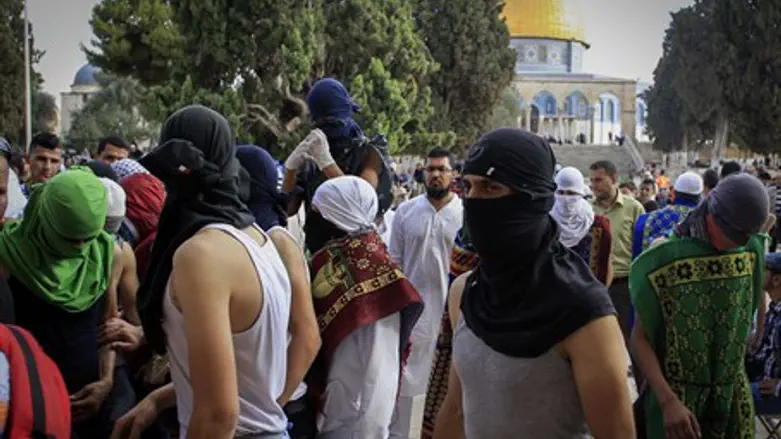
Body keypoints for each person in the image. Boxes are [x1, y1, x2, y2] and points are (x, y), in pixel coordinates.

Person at [434, 129, 634, 438]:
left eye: (490, 187)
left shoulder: (584, 313)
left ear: (534, 198)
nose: (474, 201)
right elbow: (457, 407)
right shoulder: (466, 293)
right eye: (468, 186)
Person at [130, 105, 293, 438]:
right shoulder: (258, 238)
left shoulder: (201, 255)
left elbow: (220, 415)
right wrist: (158, 400)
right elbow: (242, 377)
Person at [631, 173, 772, 439]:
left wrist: (759, 328)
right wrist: (667, 401)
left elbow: (755, 294)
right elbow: (639, 339)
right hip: (678, 404)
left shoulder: (749, 248)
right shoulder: (665, 257)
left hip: (732, 397)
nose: (738, 242)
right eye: (733, 234)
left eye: (746, 235)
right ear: (710, 212)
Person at [0, 168, 125, 437]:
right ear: (48, 219)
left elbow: (108, 327)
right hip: (30, 406)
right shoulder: (8, 255)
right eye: (70, 238)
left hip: (88, 402)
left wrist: (106, 381)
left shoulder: (108, 253)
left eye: (88, 237)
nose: (80, 247)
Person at [308, 176, 423, 438]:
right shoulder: (336, 259)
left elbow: (377, 365)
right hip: (333, 403)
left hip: (356, 414)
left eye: (316, 213)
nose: (309, 222)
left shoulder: (371, 269)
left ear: (336, 215)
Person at [236, 143, 321, 439]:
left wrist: (274, 405)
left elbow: (308, 337)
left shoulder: (277, 240)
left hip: (281, 410)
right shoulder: (236, 238)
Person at [389, 148, 463, 439]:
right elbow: (394, 262)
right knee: (407, 387)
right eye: (430, 169)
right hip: (413, 316)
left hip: (452, 319)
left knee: (447, 389)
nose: (435, 174)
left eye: (441, 169)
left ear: (453, 173)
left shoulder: (464, 216)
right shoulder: (406, 212)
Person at [282, 78, 392, 255]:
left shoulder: (370, 152)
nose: (328, 128)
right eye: (321, 122)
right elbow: (286, 210)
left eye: (333, 121)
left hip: (360, 256)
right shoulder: (313, 155)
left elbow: (358, 205)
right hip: (320, 255)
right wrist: (291, 169)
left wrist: (327, 163)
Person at [590, 160, 645, 344]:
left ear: (613, 179)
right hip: (593, 286)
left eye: (598, 180)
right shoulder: (587, 210)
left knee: (628, 340)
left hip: (623, 286)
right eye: (592, 181)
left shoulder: (634, 208)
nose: (593, 186)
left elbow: (642, 247)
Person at [551, 166, 613, 284]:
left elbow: (606, 264)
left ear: (580, 193)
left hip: (587, 296)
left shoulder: (599, 226)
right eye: (560, 192)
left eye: (571, 193)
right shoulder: (544, 223)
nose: (565, 198)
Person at [632, 171, 703, 259]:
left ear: (674, 192)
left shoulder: (646, 220)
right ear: (700, 195)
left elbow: (637, 261)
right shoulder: (707, 221)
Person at [745, 252, 781, 414]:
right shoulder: (775, 307)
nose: (756, 273)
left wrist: (779, 386)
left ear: (776, 280)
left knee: (726, 400)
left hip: (772, 392)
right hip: (760, 374)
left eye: (762, 269)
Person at [23, 132, 63, 196]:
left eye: (54, 161)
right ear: (28, 159)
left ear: (60, 164)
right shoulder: (14, 196)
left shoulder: (64, 199)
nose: (47, 167)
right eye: (41, 159)